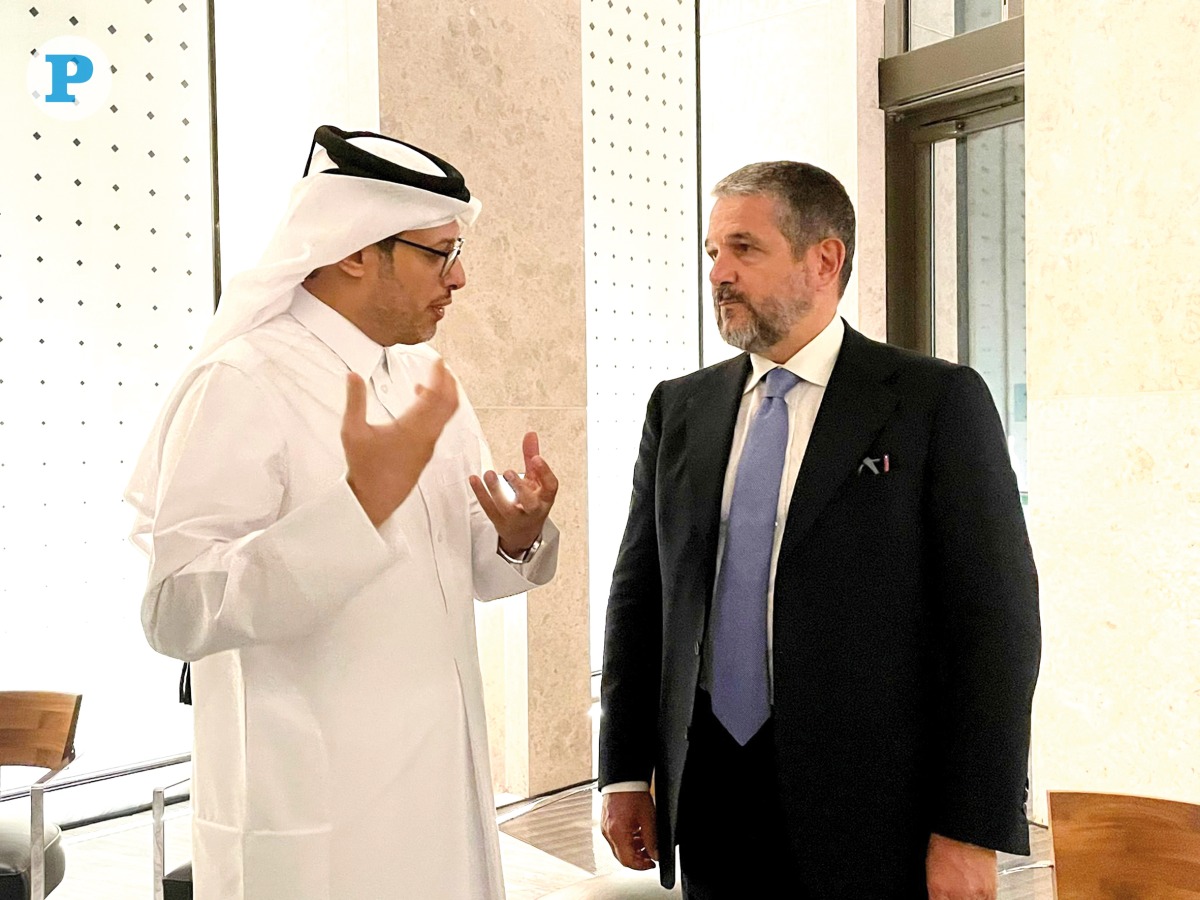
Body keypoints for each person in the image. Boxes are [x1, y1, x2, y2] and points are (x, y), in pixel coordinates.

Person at [126, 125, 559, 900]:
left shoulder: (424, 377)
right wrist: (357, 507)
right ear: (356, 249)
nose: (459, 280)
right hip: (321, 816)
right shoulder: (244, 380)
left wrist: (516, 538)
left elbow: (468, 572)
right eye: (440, 253)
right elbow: (174, 611)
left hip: (441, 795)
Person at [597, 161, 1040, 899]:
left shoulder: (932, 403)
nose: (719, 273)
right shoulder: (678, 410)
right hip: (710, 797)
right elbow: (640, 601)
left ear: (824, 259)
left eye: (744, 248)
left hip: (877, 814)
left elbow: (996, 626)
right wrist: (623, 771)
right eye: (711, 252)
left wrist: (971, 827)